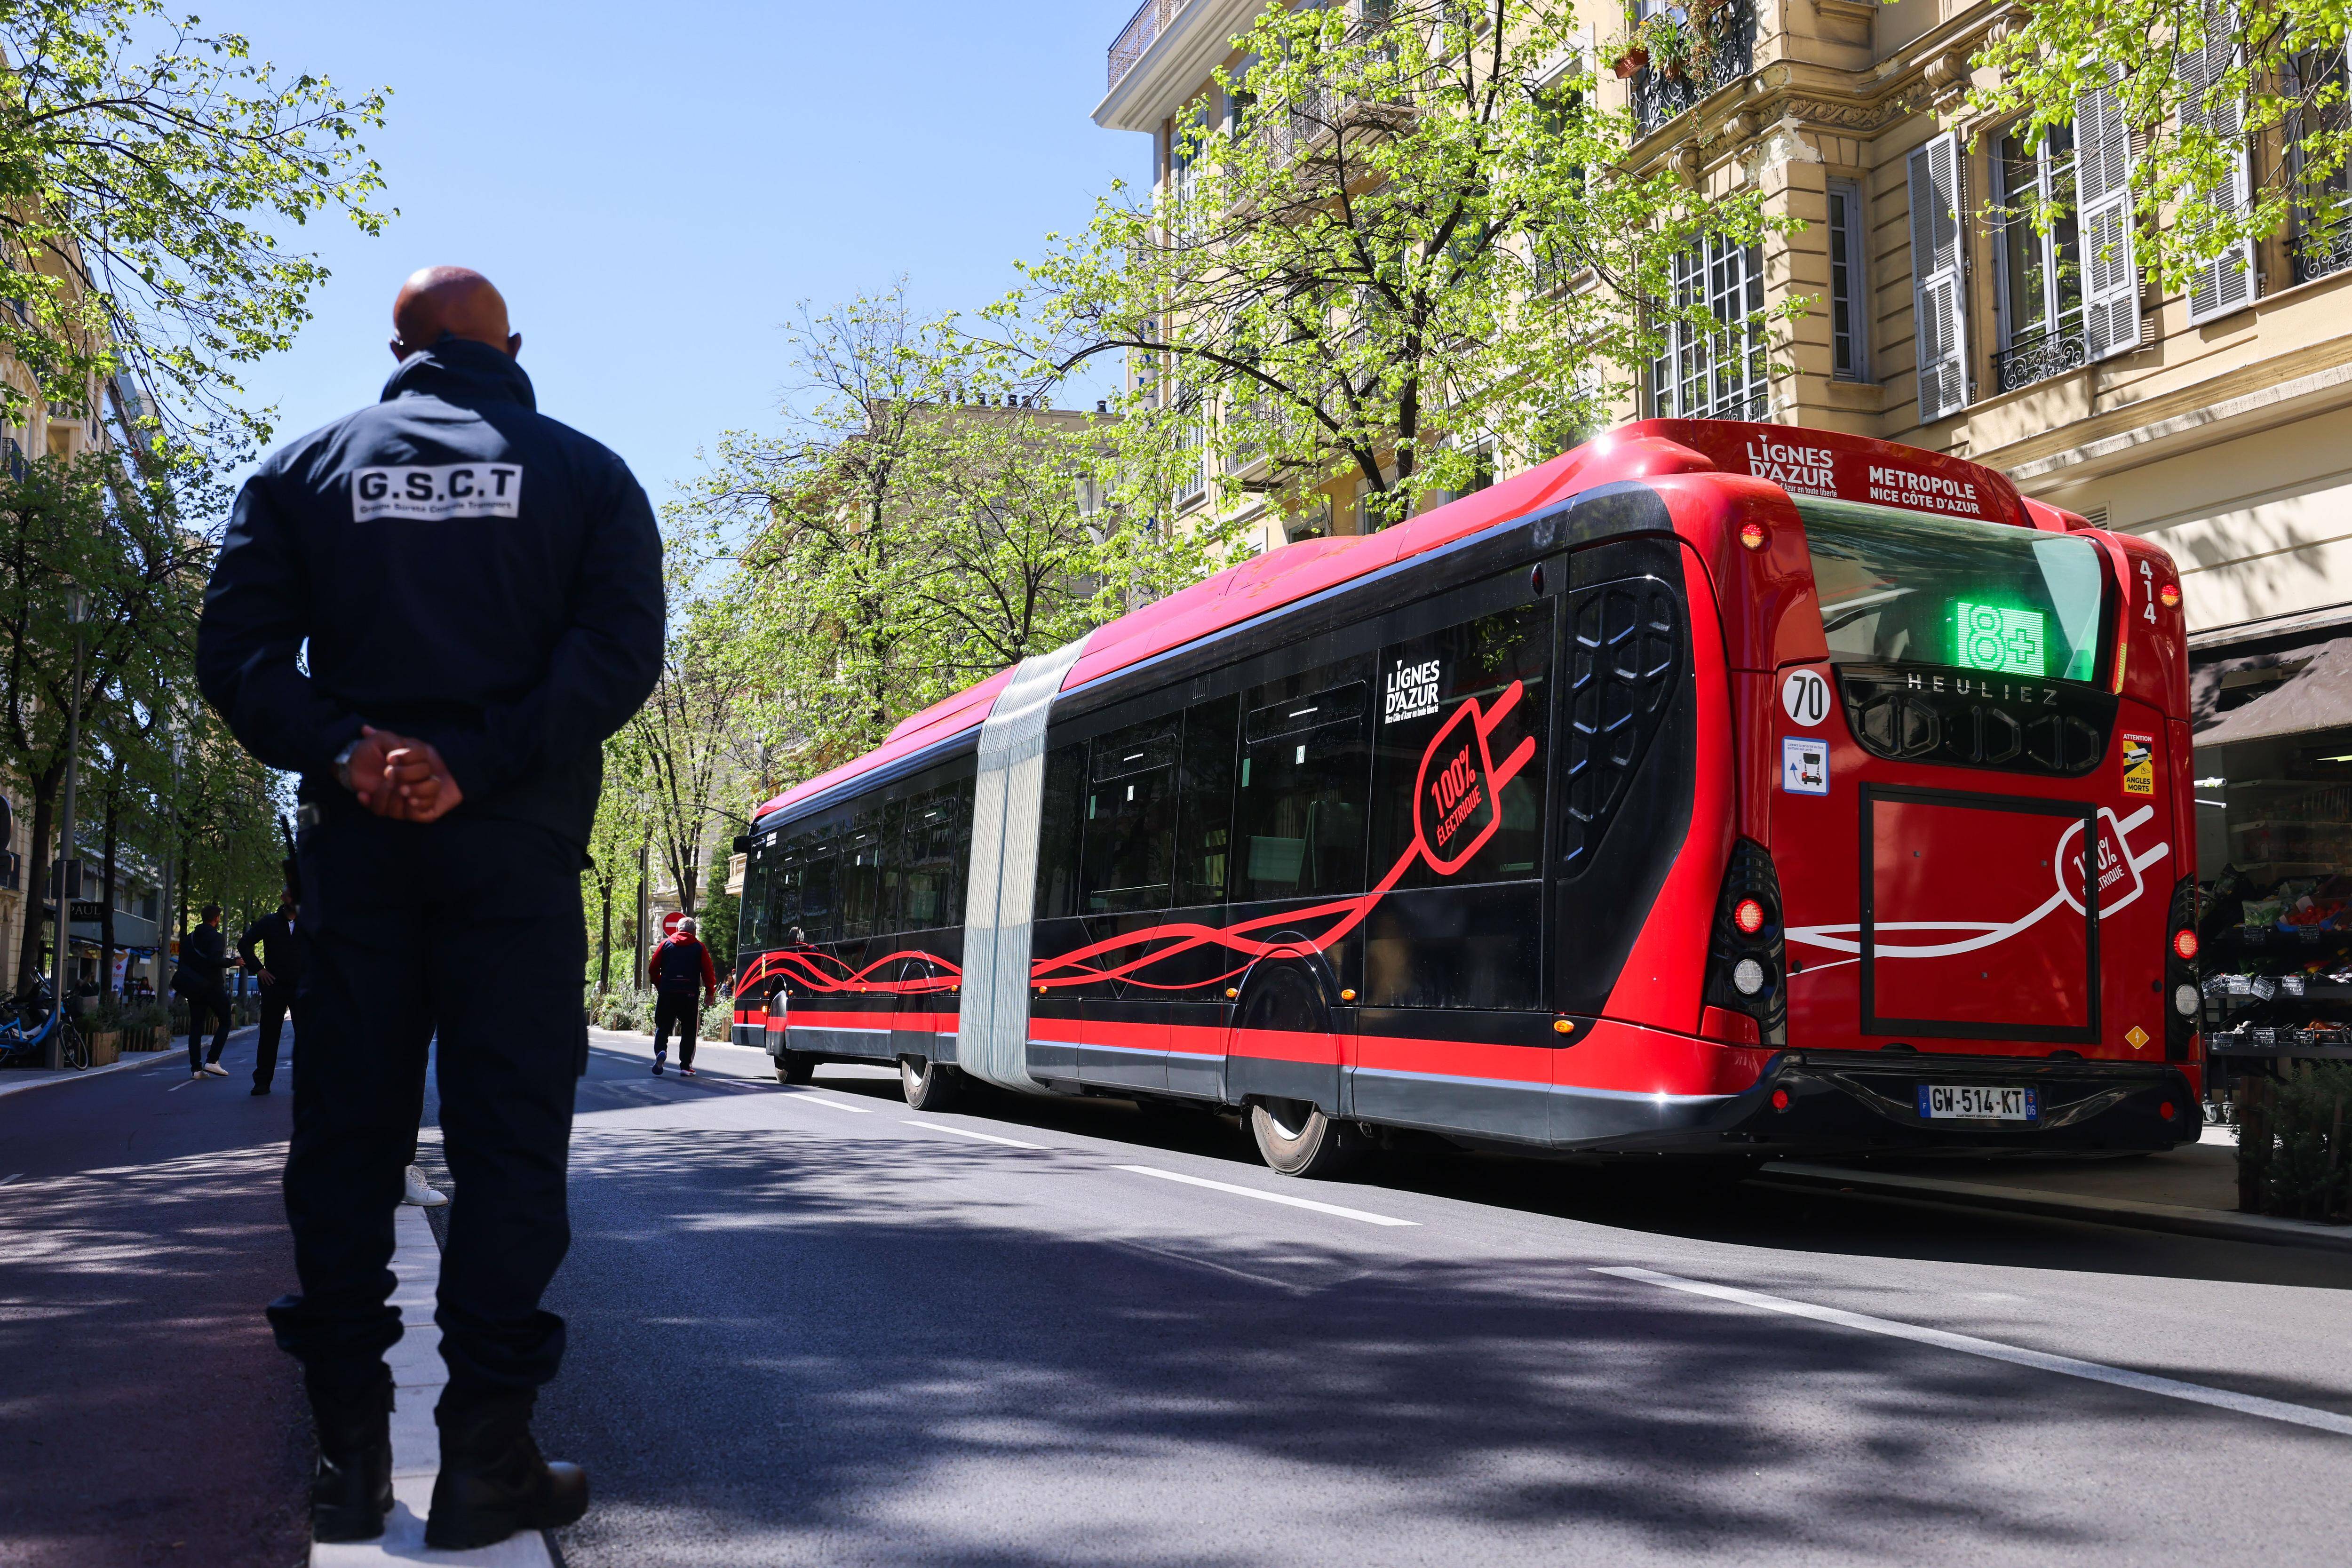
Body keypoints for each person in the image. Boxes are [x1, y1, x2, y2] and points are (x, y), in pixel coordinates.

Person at [195, 267, 662, 1549]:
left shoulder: (303, 472)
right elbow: (618, 655)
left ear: (393, 351)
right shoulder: (588, 476)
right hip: (511, 855)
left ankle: (349, 1459)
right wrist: (485, 759)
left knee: (347, 1141)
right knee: (511, 1145)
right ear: (512, 347)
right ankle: (486, 1459)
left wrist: (347, 747)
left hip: (359, 856)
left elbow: (232, 654)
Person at [239, 886, 307, 1096]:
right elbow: (244, 944)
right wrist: (259, 970)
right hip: (274, 986)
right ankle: (262, 1082)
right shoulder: (269, 922)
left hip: (302, 987)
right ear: (284, 898)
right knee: (269, 1035)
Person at [646, 915, 717, 1077]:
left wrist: (660, 985)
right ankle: (685, 1066)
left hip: (668, 993)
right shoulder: (699, 947)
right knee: (689, 1031)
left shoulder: (665, 945)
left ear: (678, 930)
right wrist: (710, 993)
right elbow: (708, 971)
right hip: (689, 995)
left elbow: (653, 969)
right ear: (694, 931)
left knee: (663, 1027)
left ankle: (661, 1052)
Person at [174, 904, 235, 1081]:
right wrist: (233, 961)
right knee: (225, 1020)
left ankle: (196, 1069)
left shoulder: (188, 938)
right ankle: (213, 1060)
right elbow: (215, 960)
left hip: (193, 987)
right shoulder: (216, 937)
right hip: (212, 986)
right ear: (216, 919)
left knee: (196, 1026)